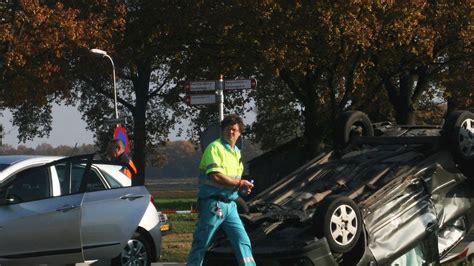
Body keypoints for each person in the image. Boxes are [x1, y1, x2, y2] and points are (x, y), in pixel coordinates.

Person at [187, 114, 256, 266]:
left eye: (234, 130)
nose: (230, 132)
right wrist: (239, 183)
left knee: (243, 240)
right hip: (213, 204)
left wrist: (242, 188)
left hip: (230, 205)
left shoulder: (236, 152)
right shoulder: (214, 148)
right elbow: (215, 177)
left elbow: (233, 179)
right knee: (202, 243)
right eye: (227, 129)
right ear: (222, 130)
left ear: (239, 133)